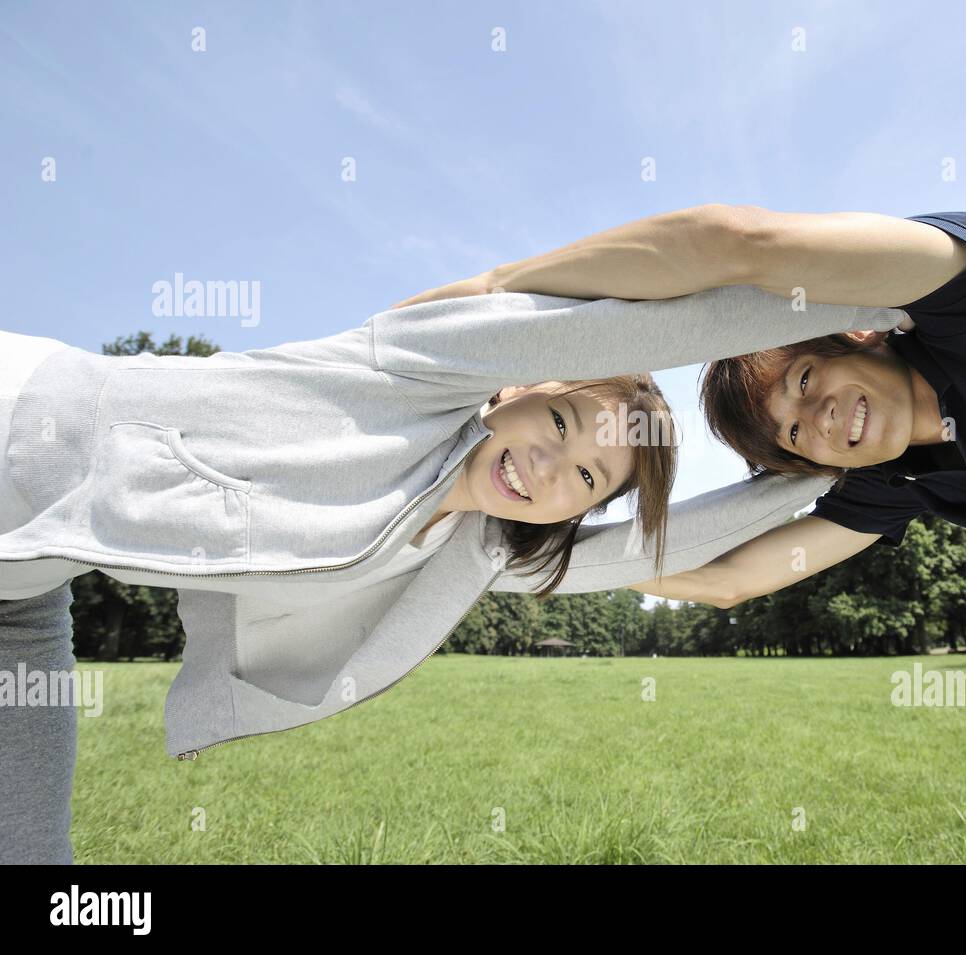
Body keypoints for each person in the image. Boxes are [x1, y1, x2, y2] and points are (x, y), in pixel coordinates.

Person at [412, 204, 966, 865]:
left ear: (858, 329)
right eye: (791, 434)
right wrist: (506, 562)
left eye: (804, 374)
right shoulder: (904, 483)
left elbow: (738, 244)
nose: (819, 419)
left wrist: (495, 296)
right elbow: (729, 579)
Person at [1, 242, 899, 862]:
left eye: (587, 480)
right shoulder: (411, 376)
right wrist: (878, 301)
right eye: (557, 421)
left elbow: (666, 553)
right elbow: (653, 329)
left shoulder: (480, 550)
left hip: (24, 599)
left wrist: (835, 472)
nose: (550, 469)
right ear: (511, 384)